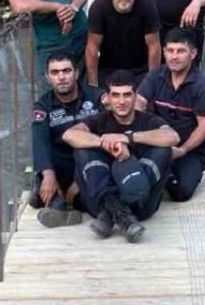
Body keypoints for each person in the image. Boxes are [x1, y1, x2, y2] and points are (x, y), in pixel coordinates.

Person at [63, 70, 179, 242]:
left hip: (141, 204)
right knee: (82, 150)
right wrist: (106, 142)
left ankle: (112, 213)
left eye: (127, 95)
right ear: (108, 98)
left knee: (164, 150)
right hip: (101, 203)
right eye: (116, 95)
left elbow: (173, 137)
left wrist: (128, 138)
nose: (122, 101)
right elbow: (69, 135)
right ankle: (121, 215)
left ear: (135, 96)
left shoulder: (148, 120)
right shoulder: (98, 120)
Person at [30, 51, 105, 227]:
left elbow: (107, 136)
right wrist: (49, 176)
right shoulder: (42, 106)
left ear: (76, 73)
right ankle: (54, 200)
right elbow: (40, 142)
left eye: (66, 71)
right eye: (55, 72)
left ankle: (64, 205)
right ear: (48, 77)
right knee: (47, 173)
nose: (61, 77)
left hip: (90, 165)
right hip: (61, 167)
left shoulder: (96, 98)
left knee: (89, 201)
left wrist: (79, 182)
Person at [135, 28, 205, 202]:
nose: (174, 57)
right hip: (157, 143)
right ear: (164, 52)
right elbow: (138, 102)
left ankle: (165, 174)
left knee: (182, 191)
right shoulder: (155, 76)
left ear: (193, 54)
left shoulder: (202, 85)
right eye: (170, 51)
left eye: (180, 51)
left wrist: (182, 150)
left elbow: (204, 126)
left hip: (188, 150)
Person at [85, 0, 161, 89]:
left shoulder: (147, 6)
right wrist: (93, 86)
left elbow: (154, 47)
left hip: (140, 71)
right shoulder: (99, 8)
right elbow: (92, 48)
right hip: (108, 70)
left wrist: (152, 84)